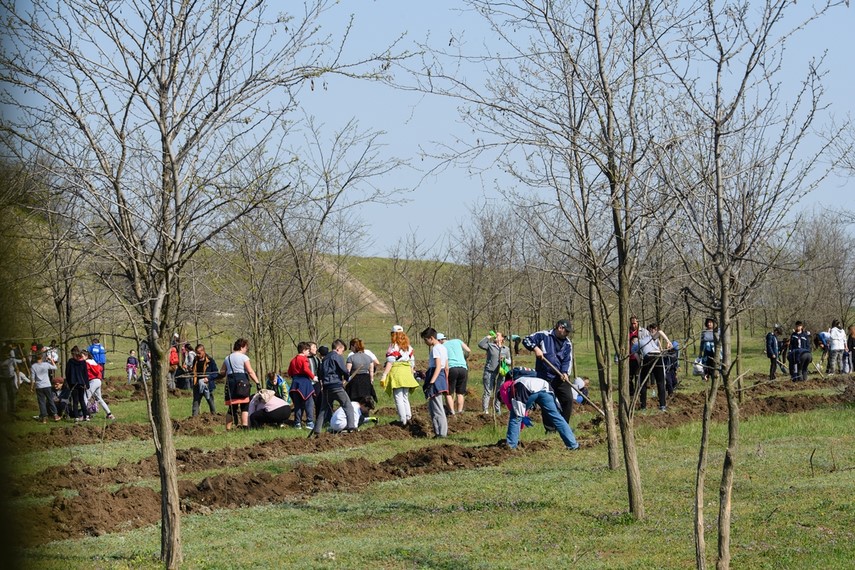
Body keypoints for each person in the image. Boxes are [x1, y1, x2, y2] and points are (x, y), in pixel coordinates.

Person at [506, 374, 579, 450]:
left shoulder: (515, 386)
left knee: (515, 418)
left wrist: (520, 416)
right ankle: (573, 445)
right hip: (545, 388)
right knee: (556, 417)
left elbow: (517, 409)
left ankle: (511, 446)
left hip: (529, 389)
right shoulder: (524, 380)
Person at [522, 320, 575, 422]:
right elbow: (526, 340)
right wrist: (535, 348)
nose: (568, 334)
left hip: (560, 377)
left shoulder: (567, 343)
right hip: (544, 376)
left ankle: (564, 425)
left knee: (568, 399)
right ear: (560, 328)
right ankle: (550, 429)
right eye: (566, 331)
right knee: (547, 401)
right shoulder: (543, 335)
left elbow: (567, 360)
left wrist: (565, 372)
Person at [312, 339, 357, 436]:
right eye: (342, 350)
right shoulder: (337, 356)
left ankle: (317, 430)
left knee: (323, 410)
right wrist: (346, 377)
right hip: (336, 386)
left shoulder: (324, 359)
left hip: (326, 387)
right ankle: (351, 427)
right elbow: (344, 370)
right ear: (338, 348)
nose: (342, 353)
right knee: (348, 406)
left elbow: (320, 374)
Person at [380, 325, 419, 425]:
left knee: (398, 397)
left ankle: (403, 420)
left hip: (397, 372)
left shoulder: (393, 346)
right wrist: (411, 373)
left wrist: (384, 375)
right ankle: (409, 417)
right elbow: (412, 362)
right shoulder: (409, 347)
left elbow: (390, 362)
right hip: (406, 372)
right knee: (405, 397)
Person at [219, 338, 260, 430]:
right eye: (246, 348)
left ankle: (228, 429)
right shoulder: (244, 358)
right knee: (244, 406)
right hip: (242, 383)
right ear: (242, 347)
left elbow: (222, 371)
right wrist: (257, 382)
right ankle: (244, 427)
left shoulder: (227, 358)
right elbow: (250, 371)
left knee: (231, 408)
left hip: (231, 384)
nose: (246, 350)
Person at [634, 323, 672, 411]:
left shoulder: (636, 344)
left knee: (643, 382)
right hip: (657, 356)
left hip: (647, 357)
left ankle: (643, 406)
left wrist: (640, 365)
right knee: (661, 382)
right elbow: (660, 332)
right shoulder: (650, 338)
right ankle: (662, 406)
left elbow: (636, 355)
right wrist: (668, 341)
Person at [421, 327, 449, 438]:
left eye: (425, 340)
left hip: (436, 377)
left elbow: (438, 366)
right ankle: (438, 432)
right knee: (433, 407)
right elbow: (446, 366)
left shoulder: (436, 349)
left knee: (437, 407)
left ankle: (441, 433)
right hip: (440, 377)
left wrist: (431, 383)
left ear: (431, 338)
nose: (425, 342)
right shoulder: (443, 348)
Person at [478, 331, 511, 415]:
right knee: (488, 391)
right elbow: (480, 344)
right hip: (489, 371)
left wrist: (504, 360)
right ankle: (485, 410)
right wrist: (488, 337)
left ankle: (497, 409)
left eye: (498, 335)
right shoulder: (490, 346)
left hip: (501, 373)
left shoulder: (506, 349)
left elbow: (510, 361)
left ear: (502, 338)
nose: (496, 336)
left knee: (498, 391)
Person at [439, 333, 471, 415]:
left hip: (452, 368)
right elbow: (468, 350)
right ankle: (460, 411)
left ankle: (452, 412)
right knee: (460, 393)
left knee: (448, 393)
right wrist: (463, 358)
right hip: (463, 368)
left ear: (440, 341)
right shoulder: (457, 341)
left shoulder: (442, 347)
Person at [288, 342, 316, 430]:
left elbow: (289, 372)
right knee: (309, 403)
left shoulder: (293, 360)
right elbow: (305, 369)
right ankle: (310, 422)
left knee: (298, 405)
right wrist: (313, 377)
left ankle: (297, 423)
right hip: (304, 383)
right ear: (304, 350)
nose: (309, 352)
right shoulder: (304, 359)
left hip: (295, 383)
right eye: (308, 351)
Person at [83, 349, 115, 419]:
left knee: (85, 397)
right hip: (98, 381)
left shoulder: (86, 363)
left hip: (92, 381)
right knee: (99, 398)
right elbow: (100, 369)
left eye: (82, 356)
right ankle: (109, 414)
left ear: (86, 356)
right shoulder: (93, 362)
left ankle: (85, 415)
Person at [345, 338, 377, 403]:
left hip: (354, 381)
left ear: (354, 346)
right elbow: (371, 371)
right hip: (366, 380)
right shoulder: (369, 357)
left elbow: (347, 372)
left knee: (354, 401)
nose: (350, 349)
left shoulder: (351, 358)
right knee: (364, 401)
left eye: (351, 347)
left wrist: (344, 381)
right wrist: (371, 379)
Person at [31, 351, 59, 423]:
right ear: (42, 357)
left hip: (39, 386)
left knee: (41, 402)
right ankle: (55, 415)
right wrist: (51, 359)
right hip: (47, 385)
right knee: (50, 400)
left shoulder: (33, 366)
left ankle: (44, 418)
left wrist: (31, 387)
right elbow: (55, 367)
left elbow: (33, 379)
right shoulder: (46, 364)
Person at [190, 344, 218, 416]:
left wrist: (207, 378)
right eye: (196, 353)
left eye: (199, 353)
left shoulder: (210, 361)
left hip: (207, 385)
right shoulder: (195, 360)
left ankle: (214, 416)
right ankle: (194, 418)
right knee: (196, 402)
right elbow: (193, 371)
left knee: (210, 401)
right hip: (197, 385)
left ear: (203, 351)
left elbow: (215, 373)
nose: (198, 355)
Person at [65, 346, 90, 421]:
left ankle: (76, 417)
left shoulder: (70, 362)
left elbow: (67, 373)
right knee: (82, 400)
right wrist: (87, 384)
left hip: (73, 383)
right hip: (81, 383)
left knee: (75, 401)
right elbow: (85, 374)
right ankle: (86, 416)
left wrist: (69, 384)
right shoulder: (82, 362)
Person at [0, 343, 22, 415]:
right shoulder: (1, 361)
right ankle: (4, 412)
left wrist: (18, 380)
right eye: (5, 353)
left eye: (8, 353)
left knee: (12, 394)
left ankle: (13, 409)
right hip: (2, 380)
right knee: (4, 396)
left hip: (11, 379)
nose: (7, 355)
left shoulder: (11, 360)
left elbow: (16, 368)